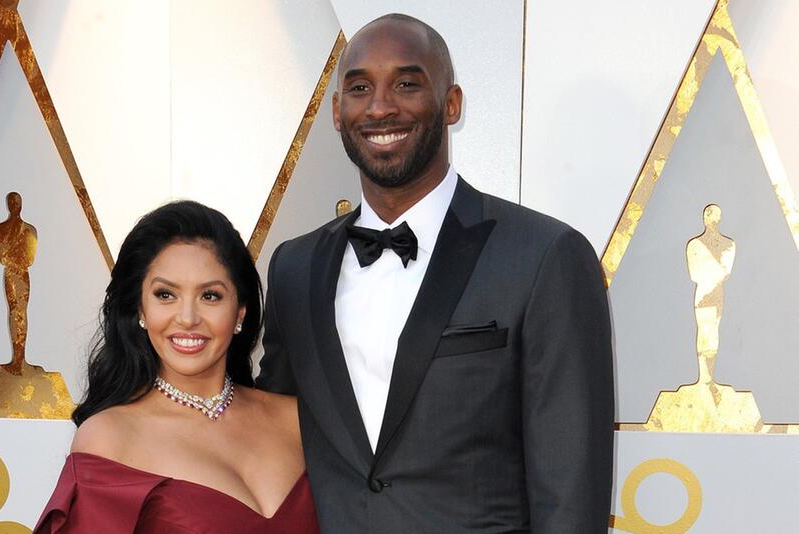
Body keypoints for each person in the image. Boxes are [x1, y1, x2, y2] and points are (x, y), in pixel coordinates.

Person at [257, 13, 614, 533]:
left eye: (406, 83)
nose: (380, 106)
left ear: (451, 103)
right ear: (336, 111)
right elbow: (265, 433)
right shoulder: (294, 268)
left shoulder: (544, 256)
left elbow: (571, 495)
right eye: (359, 88)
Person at [35, 201, 318, 533]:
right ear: (140, 308)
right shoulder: (110, 438)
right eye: (166, 295)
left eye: (210, 296)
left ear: (239, 311)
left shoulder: (298, 420)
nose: (187, 318)